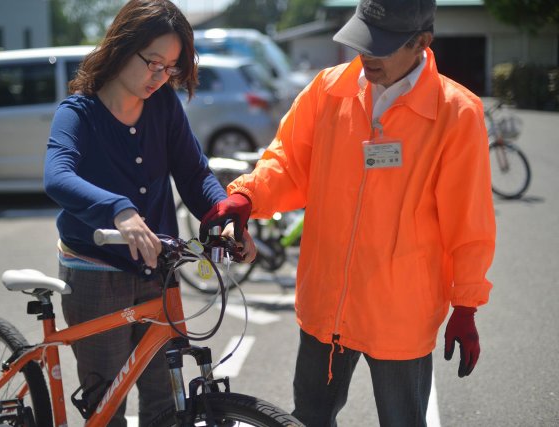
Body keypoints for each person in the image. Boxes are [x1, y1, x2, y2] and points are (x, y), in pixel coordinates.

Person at [199, 0, 496, 425]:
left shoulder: (455, 113)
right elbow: (286, 163)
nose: (367, 56)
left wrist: (466, 304)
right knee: (309, 419)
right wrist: (248, 195)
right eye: (363, 41)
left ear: (421, 43)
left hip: (400, 311)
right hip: (326, 302)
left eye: (383, 46)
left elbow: (468, 218)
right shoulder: (329, 89)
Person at [44, 1, 253, 425]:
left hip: (159, 269)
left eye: (171, 67)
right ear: (122, 47)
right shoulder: (78, 113)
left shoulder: (163, 106)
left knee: (167, 405)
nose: (160, 77)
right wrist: (117, 209)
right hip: (96, 270)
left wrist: (223, 217)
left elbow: (194, 174)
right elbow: (56, 175)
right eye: (153, 62)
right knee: (107, 407)